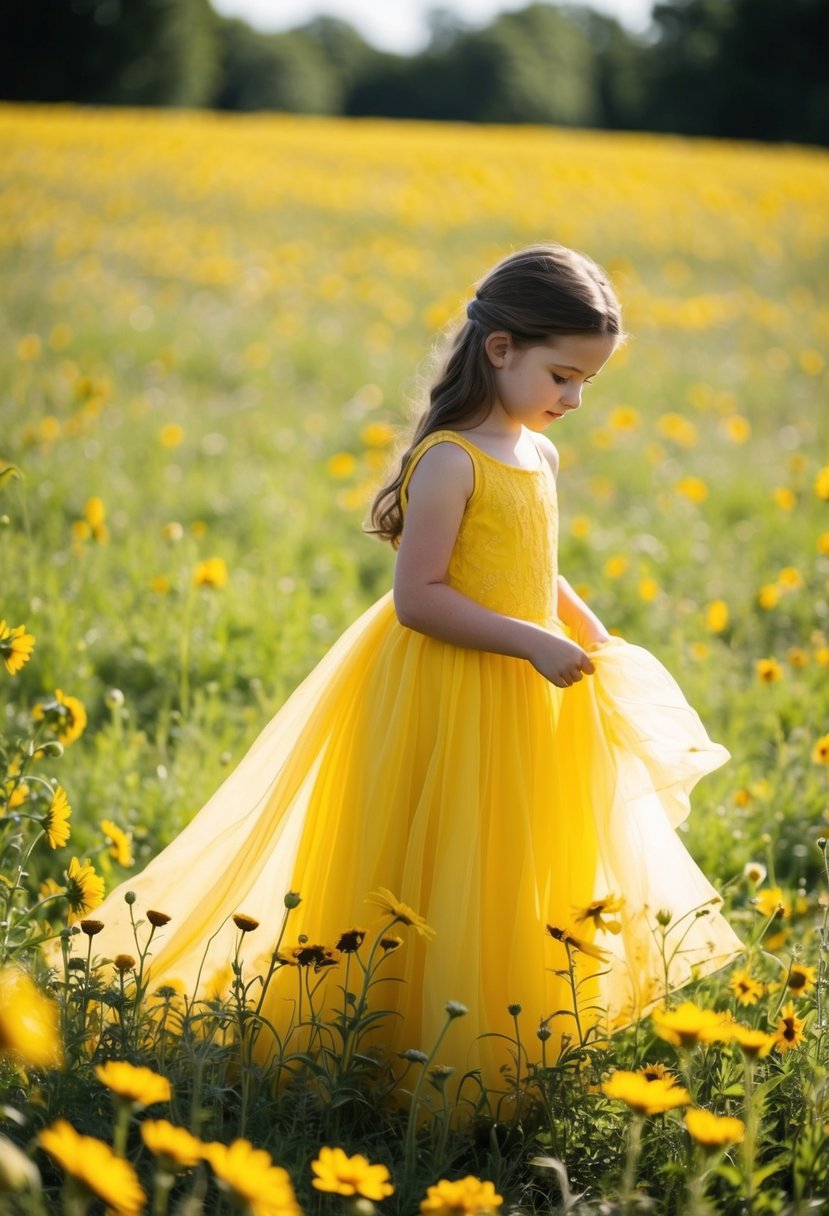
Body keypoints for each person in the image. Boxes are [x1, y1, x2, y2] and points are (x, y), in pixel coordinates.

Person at [86, 243, 742, 1094]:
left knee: (509, 854)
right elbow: (420, 596)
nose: (574, 400)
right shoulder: (450, 459)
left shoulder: (537, 454)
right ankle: (383, 1041)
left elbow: (533, 564)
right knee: (428, 855)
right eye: (562, 376)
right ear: (501, 349)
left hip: (519, 689)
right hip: (444, 683)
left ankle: (506, 1037)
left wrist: (583, 628)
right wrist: (531, 641)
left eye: (587, 383)